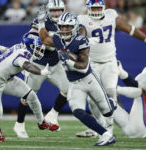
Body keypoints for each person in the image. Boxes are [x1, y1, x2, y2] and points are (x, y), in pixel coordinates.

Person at [38, 11, 116, 146]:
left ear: (74, 27)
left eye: (68, 27)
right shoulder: (57, 37)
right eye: (62, 26)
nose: (64, 29)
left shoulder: (81, 40)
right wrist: (40, 23)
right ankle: (106, 134)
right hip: (74, 83)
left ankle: (111, 104)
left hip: (89, 79)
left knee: (107, 111)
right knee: (77, 110)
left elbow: (84, 66)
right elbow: (45, 39)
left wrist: (68, 60)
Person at [75, 0, 146, 136]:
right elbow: (80, 38)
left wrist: (145, 39)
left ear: (103, 8)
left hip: (109, 62)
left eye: (98, 8)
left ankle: (109, 130)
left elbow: (129, 29)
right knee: (92, 98)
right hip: (92, 63)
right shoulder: (82, 19)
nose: (96, 11)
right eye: (93, 9)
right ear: (88, 9)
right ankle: (97, 128)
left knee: (111, 93)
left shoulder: (111, 15)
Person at [13, 0, 70, 138]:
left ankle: (52, 115)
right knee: (27, 96)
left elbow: (61, 42)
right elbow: (30, 35)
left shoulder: (66, 22)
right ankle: (19, 124)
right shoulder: (41, 20)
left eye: (59, 10)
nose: (56, 13)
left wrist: (48, 42)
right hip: (37, 64)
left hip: (55, 65)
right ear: (49, 11)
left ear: (63, 10)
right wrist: (37, 41)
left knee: (68, 89)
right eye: (53, 10)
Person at [0, 38, 54, 142]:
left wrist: (6, 50)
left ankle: (41, 123)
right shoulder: (24, 54)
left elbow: (14, 53)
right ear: (31, 47)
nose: (39, 51)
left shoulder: (19, 47)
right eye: (38, 49)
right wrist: (41, 72)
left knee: (31, 96)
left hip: (7, 78)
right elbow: (27, 65)